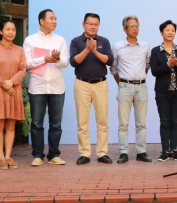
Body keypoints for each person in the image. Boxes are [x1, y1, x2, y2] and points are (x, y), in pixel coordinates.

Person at [23, 9, 69, 167]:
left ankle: (54, 155)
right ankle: (37, 155)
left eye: (55, 18)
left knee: (56, 124)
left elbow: (65, 63)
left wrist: (57, 58)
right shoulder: (30, 40)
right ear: (42, 21)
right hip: (37, 87)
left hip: (57, 87)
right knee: (37, 123)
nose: (55, 21)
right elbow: (26, 63)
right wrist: (44, 58)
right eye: (51, 18)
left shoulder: (60, 40)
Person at [69, 13, 114, 164]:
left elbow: (109, 60)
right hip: (82, 84)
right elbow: (74, 62)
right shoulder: (76, 41)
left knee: (102, 121)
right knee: (82, 122)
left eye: (96, 24)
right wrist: (87, 49)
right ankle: (85, 153)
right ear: (84, 24)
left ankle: (102, 153)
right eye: (90, 24)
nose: (93, 27)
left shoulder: (104, 41)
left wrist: (94, 51)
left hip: (100, 84)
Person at [0, 19, 27, 170]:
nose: (11, 32)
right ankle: (0, 157)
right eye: (8, 29)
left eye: (13, 29)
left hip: (14, 90)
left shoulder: (19, 50)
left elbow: (23, 69)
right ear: (1, 31)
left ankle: (8, 156)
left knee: (11, 125)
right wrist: (4, 83)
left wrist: (12, 82)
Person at [112, 15, 151, 163]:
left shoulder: (145, 46)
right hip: (125, 86)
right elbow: (114, 69)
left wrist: (138, 78)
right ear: (125, 29)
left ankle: (141, 152)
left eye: (137, 26)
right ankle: (123, 152)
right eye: (131, 26)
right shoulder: (118, 46)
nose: (135, 29)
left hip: (141, 86)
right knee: (123, 123)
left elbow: (147, 66)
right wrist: (122, 83)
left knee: (141, 123)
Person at [150, 20, 177, 162]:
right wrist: (168, 64)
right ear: (161, 33)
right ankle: (165, 150)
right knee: (165, 121)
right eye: (167, 30)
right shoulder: (156, 51)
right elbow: (154, 71)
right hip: (162, 91)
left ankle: (174, 150)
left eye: (172, 30)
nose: (170, 32)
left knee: (175, 121)